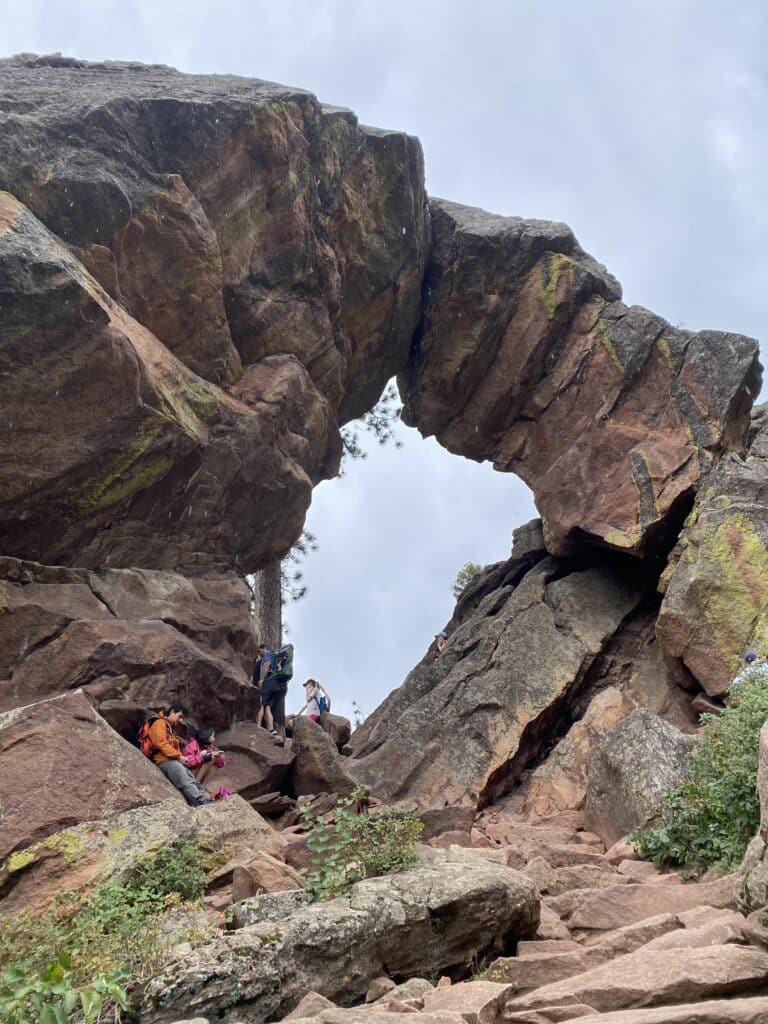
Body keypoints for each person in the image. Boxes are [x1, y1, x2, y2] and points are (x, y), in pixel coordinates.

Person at [146, 703, 213, 807]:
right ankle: (199, 802)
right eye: (180, 716)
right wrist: (178, 756)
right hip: (164, 760)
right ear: (172, 712)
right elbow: (160, 743)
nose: (181, 720)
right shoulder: (159, 723)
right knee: (185, 780)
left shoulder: (169, 727)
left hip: (172, 759)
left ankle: (206, 799)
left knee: (192, 779)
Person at [183, 727, 226, 796]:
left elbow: (221, 764)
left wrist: (217, 755)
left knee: (214, 764)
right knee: (210, 759)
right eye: (212, 735)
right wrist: (202, 757)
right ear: (207, 736)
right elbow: (187, 762)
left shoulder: (209, 747)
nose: (214, 738)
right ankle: (195, 785)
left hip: (198, 773)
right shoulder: (193, 744)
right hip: (189, 773)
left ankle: (202, 786)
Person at [253, 643, 276, 730]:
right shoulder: (274, 656)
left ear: (264, 648)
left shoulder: (268, 654)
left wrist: (261, 679)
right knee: (267, 707)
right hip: (274, 685)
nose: (259, 653)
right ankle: (271, 729)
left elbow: (266, 665)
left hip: (267, 682)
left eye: (259, 651)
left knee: (261, 704)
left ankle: (258, 726)